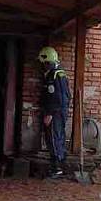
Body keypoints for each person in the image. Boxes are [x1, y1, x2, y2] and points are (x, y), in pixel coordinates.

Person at [38, 46, 71, 178]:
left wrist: (50, 114)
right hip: (59, 111)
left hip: (55, 112)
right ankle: (60, 166)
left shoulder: (55, 75)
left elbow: (58, 97)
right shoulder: (57, 74)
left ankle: (57, 169)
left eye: (44, 63)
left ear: (48, 61)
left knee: (54, 138)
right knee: (58, 137)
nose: (43, 66)